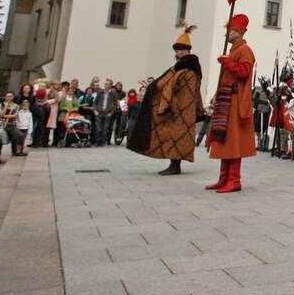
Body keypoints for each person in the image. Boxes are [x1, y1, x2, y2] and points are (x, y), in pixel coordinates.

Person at [128, 24, 206, 175]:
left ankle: (175, 166)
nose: (176, 54)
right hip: (178, 108)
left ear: (186, 51)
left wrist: (166, 100)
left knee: (177, 137)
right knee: (172, 136)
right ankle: (173, 164)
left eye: (178, 51)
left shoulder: (189, 70)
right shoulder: (181, 67)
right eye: (176, 51)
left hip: (181, 109)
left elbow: (178, 89)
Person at [205, 14, 256, 193]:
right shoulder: (234, 50)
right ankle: (223, 178)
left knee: (233, 141)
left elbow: (244, 72)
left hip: (235, 100)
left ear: (239, 32)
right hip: (226, 99)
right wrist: (217, 93)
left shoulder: (245, 50)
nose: (227, 34)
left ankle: (234, 180)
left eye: (230, 30)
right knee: (225, 140)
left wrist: (228, 62)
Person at [93, 80, 119, 147]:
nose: (105, 85)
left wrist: (111, 113)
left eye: (107, 84)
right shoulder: (100, 92)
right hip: (99, 112)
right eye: (105, 84)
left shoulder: (113, 93)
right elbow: (95, 103)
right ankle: (97, 141)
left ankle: (103, 141)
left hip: (107, 113)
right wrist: (95, 111)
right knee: (98, 128)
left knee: (105, 129)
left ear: (110, 85)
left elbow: (116, 105)